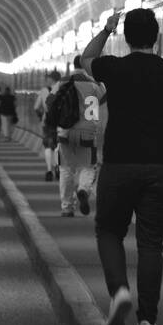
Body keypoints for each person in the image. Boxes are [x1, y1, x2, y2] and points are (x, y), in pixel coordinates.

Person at [82, 8, 163, 325]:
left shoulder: (113, 67)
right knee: (151, 244)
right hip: (162, 167)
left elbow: (86, 57)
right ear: (156, 36)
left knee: (109, 231)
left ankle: (119, 291)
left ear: (127, 36)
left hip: (120, 164)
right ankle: (147, 322)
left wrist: (106, 29)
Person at [51, 57, 105, 217]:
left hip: (65, 132)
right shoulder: (94, 84)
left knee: (66, 169)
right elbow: (103, 99)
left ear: (73, 66)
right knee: (88, 167)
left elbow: (51, 104)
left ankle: (67, 207)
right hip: (87, 132)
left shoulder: (61, 82)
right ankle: (83, 189)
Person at [33, 74, 59, 181]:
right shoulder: (64, 88)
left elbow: (36, 107)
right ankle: (57, 167)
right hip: (61, 123)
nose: (47, 81)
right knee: (58, 146)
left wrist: (41, 117)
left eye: (48, 79)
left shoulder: (44, 91)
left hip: (47, 122)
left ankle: (49, 171)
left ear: (52, 79)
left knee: (48, 146)